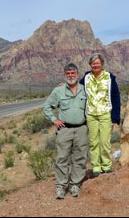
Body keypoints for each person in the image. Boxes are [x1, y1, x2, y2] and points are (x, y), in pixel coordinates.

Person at [43, 63, 88, 199]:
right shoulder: (59, 91)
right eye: (68, 73)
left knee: (80, 157)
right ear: (65, 75)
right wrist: (54, 119)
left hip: (81, 129)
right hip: (64, 129)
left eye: (73, 73)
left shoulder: (85, 89)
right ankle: (60, 187)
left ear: (77, 74)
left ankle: (75, 184)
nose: (71, 75)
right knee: (62, 158)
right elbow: (46, 106)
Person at [80, 53, 121, 177]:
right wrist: (65, 86)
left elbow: (116, 97)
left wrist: (115, 116)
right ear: (90, 65)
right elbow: (77, 87)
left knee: (104, 141)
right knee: (93, 142)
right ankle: (96, 167)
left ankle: (106, 165)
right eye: (93, 63)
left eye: (97, 63)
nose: (95, 65)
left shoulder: (109, 78)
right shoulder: (86, 77)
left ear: (102, 64)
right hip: (91, 114)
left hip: (105, 114)